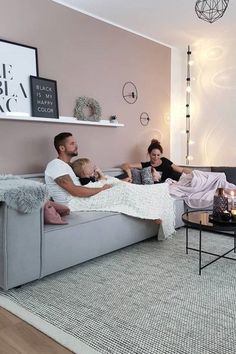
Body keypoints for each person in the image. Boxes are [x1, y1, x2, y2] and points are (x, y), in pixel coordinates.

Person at [44, 132, 112, 204]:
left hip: (82, 200)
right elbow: (75, 191)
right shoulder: (55, 165)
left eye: (75, 143)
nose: (76, 146)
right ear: (62, 148)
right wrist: (102, 189)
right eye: (72, 143)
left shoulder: (70, 165)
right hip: (72, 204)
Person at [121, 139, 192, 183]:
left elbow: (181, 169)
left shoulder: (165, 160)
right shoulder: (146, 165)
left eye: (158, 155)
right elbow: (125, 165)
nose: (156, 157)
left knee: (199, 180)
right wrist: (129, 175)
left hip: (182, 179)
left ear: (161, 154)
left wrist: (193, 173)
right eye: (153, 155)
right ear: (149, 154)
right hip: (171, 185)